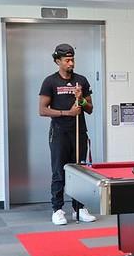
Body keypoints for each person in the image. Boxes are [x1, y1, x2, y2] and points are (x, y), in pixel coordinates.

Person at [38, 43, 96, 225]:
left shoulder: (82, 81)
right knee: (59, 171)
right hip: (59, 133)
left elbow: (90, 109)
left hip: (78, 131)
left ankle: (79, 209)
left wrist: (80, 100)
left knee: (79, 171)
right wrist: (66, 113)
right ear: (58, 61)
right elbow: (42, 110)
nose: (71, 63)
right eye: (67, 60)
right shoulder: (50, 82)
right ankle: (57, 209)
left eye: (72, 59)